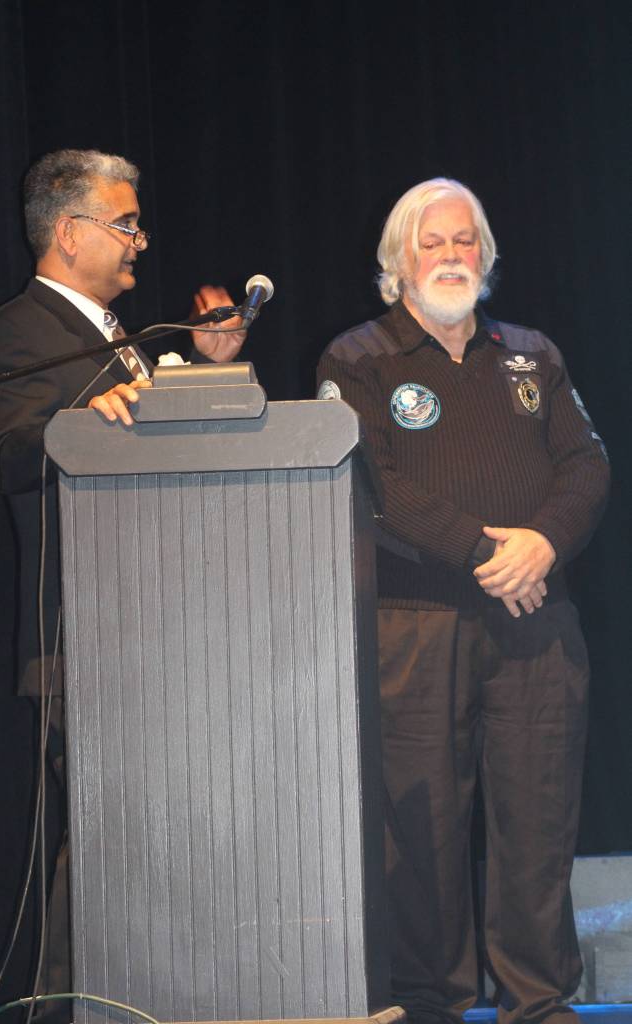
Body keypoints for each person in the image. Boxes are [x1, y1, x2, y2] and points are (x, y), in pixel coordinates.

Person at [317, 178, 610, 1024]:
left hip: (536, 619)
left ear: (484, 254)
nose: (450, 256)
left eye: (464, 240)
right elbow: (377, 486)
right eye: (431, 242)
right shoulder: (356, 358)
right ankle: (427, 1003)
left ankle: (537, 1001)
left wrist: (541, 544)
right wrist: (491, 553)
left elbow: (585, 463)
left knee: (537, 821)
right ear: (396, 260)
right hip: (412, 626)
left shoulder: (531, 353)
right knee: (421, 829)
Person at [0, 148, 246, 1017]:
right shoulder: (18, 331)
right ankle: (60, 1009)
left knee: (139, 854)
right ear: (69, 232)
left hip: (159, 632)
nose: (139, 241)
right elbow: (3, 456)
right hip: (81, 637)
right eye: (125, 224)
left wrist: (206, 368)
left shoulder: (117, 337)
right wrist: (77, 423)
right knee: (100, 855)